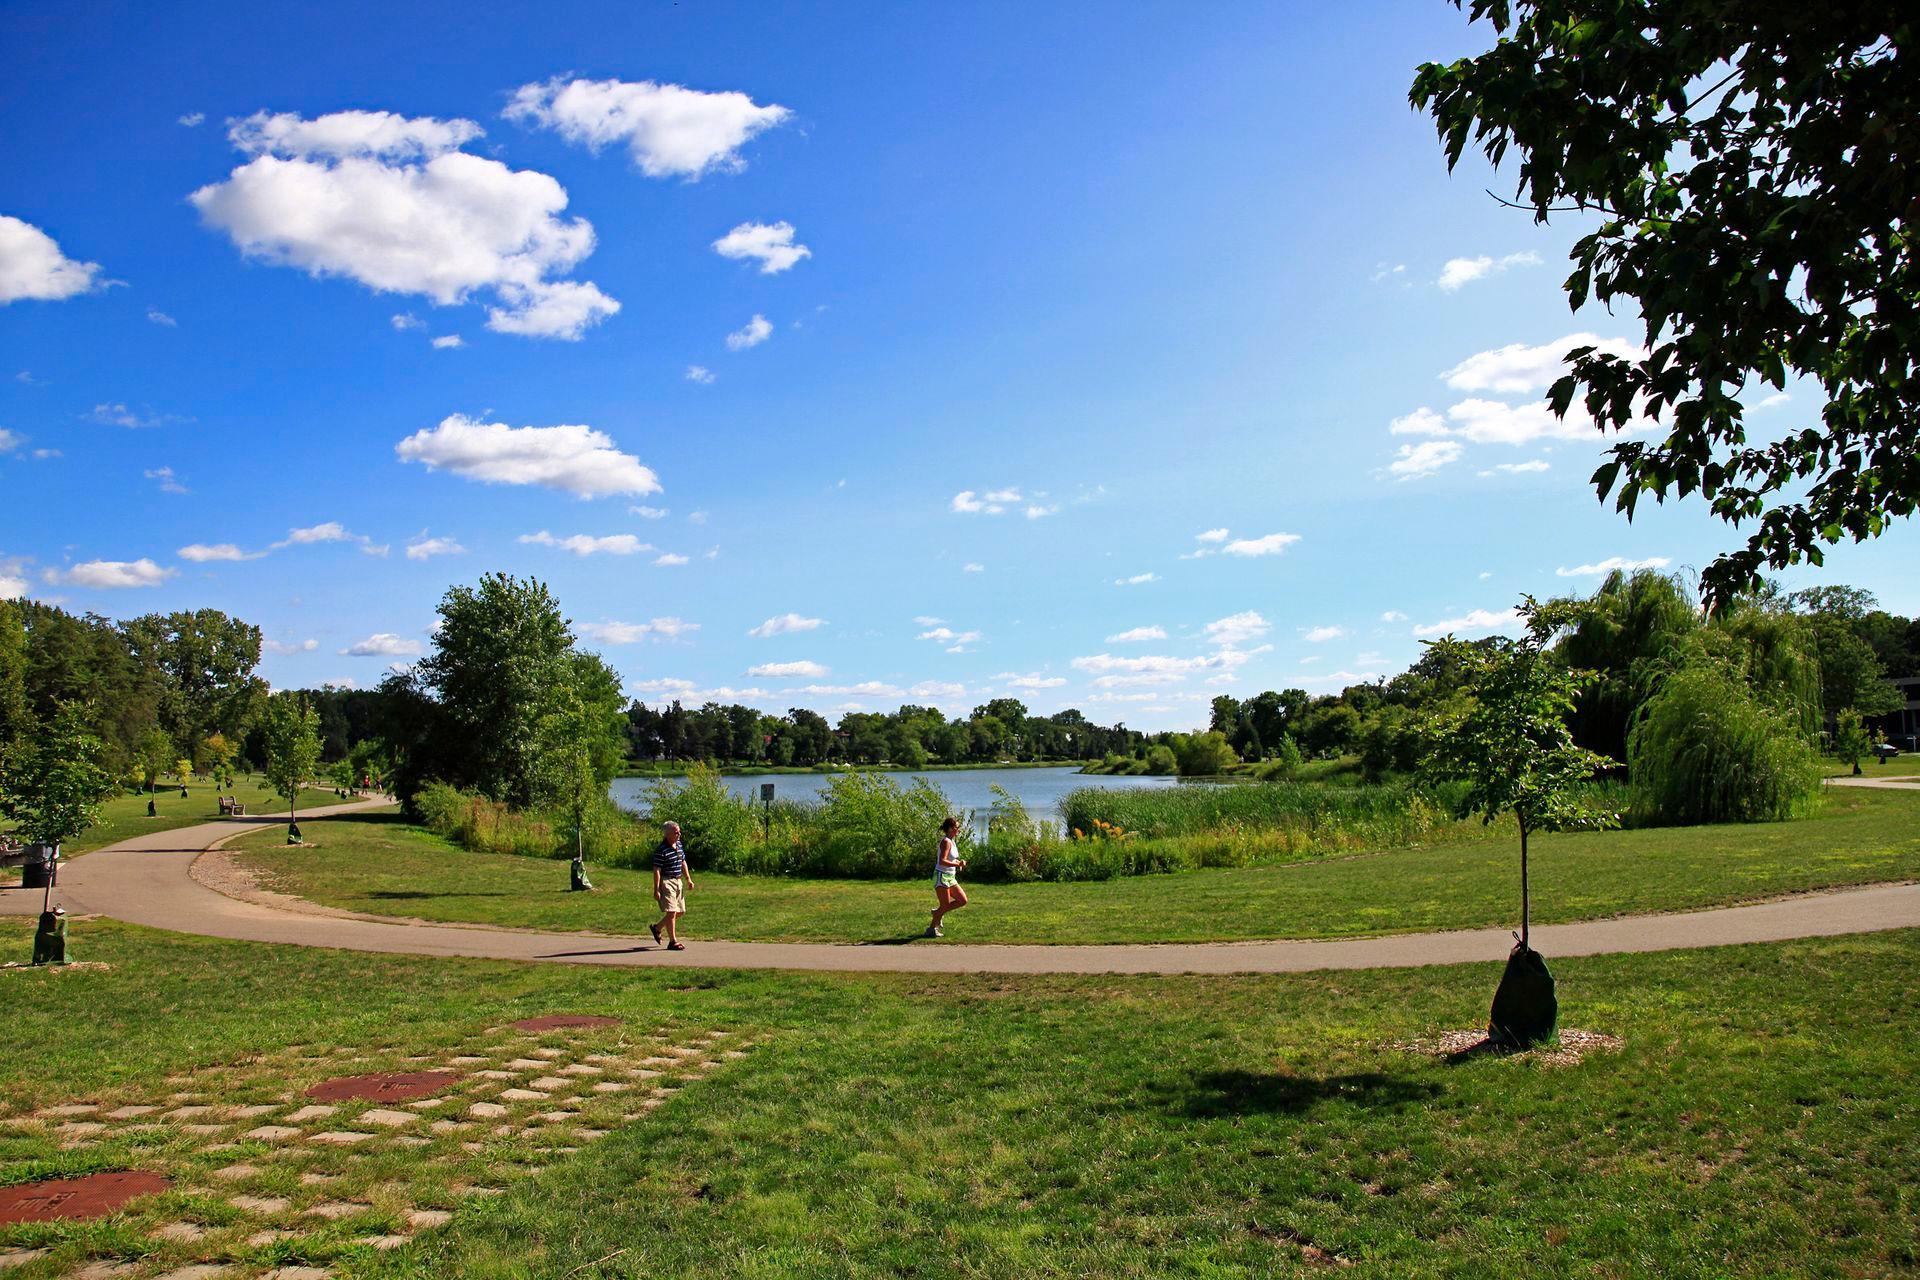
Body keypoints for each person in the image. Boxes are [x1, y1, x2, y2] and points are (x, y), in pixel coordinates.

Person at [650, 820, 693, 951]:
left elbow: (682, 861)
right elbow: (656, 870)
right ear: (668, 834)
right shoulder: (661, 850)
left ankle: (657, 928)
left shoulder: (679, 845)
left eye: (679, 832)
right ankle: (673, 941)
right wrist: (656, 889)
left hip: (678, 881)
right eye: (676, 832)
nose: (679, 834)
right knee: (672, 912)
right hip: (667, 882)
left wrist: (688, 879)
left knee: (680, 912)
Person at [926, 816, 968, 938]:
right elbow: (942, 860)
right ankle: (931, 929)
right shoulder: (945, 842)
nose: (959, 830)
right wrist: (957, 864)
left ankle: (937, 913)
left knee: (962, 900)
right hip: (941, 876)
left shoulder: (952, 841)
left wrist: (960, 862)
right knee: (944, 905)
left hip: (950, 876)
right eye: (957, 827)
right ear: (950, 829)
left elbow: (951, 858)